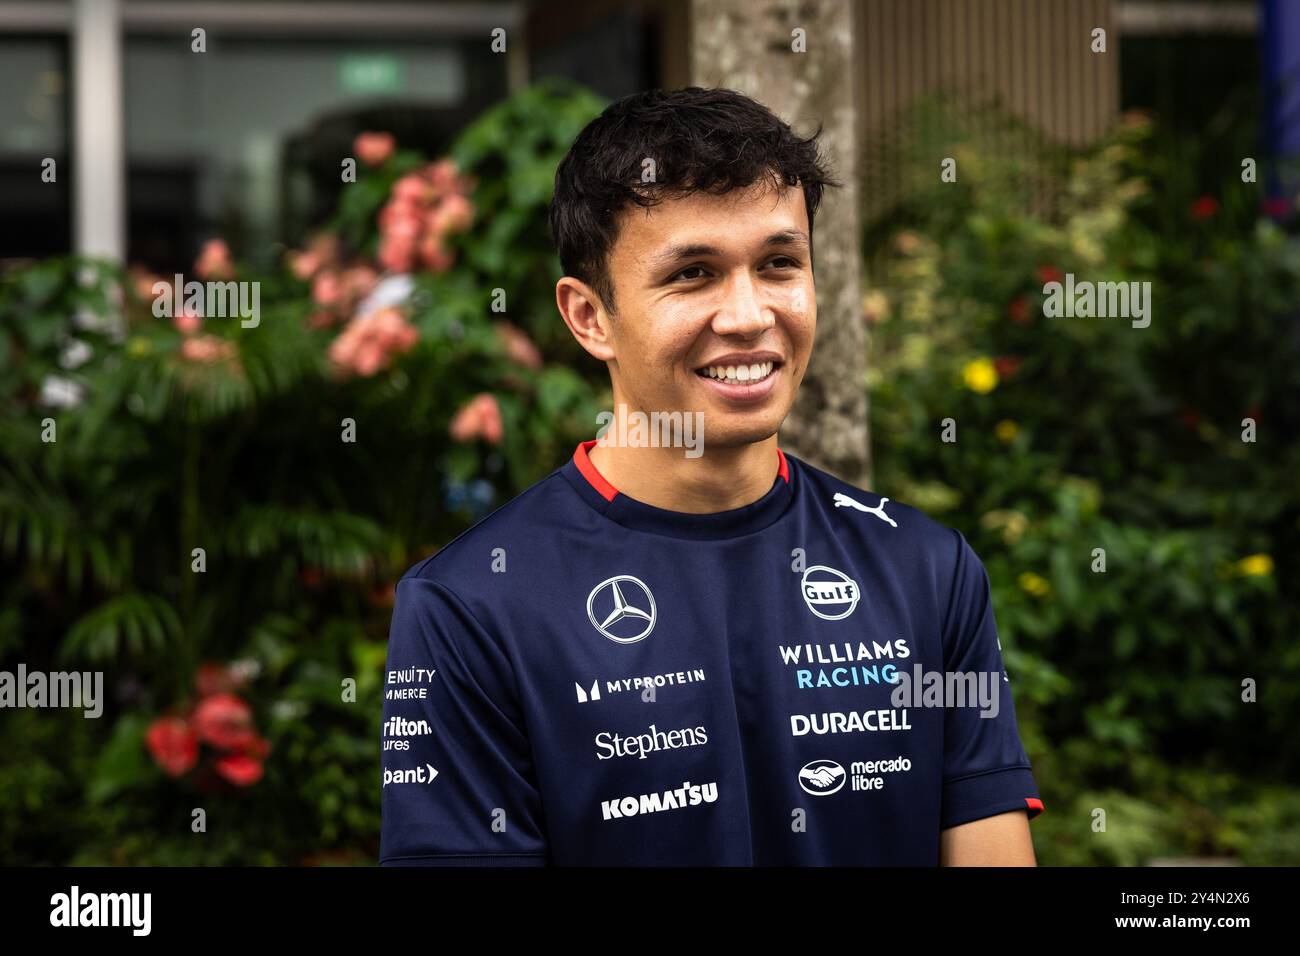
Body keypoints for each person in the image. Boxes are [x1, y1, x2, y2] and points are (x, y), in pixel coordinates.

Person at [380, 86, 1042, 866]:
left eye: (778, 264)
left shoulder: (928, 570)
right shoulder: (469, 606)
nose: (749, 315)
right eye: (693, 273)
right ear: (591, 317)